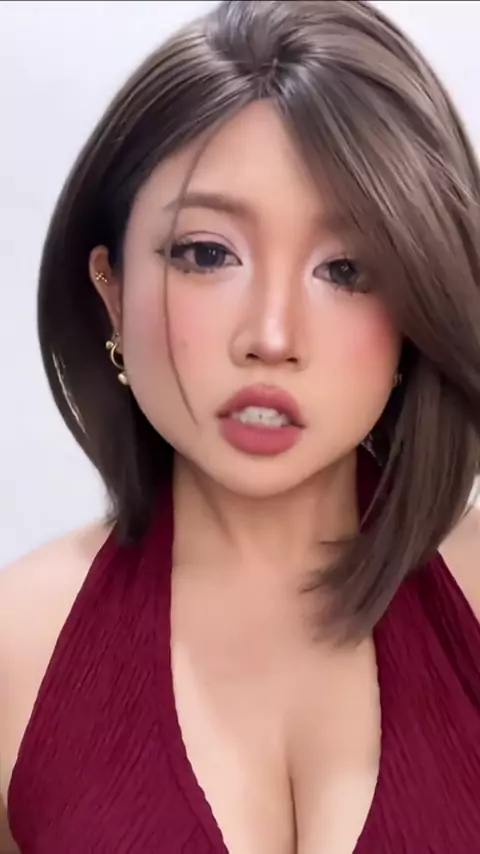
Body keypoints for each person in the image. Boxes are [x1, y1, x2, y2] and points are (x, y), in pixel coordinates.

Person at [1, 0, 480, 851]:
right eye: (207, 254)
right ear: (112, 289)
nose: (271, 335)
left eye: (347, 269)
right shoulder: (16, 649)